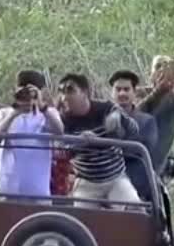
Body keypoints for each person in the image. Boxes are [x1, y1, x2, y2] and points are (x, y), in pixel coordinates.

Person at [55, 73, 141, 204]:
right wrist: (79, 142)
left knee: (136, 210)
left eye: (70, 90)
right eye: (61, 92)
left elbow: (134, 131)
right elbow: (60, 151)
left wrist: (121, 119)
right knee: (78, 219)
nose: (64, 97)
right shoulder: (62, 120)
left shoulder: (107, 108)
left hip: (115, 178)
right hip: (86, 181)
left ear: (84, 92)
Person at [0, 70, 64, 196]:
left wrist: (42, 107)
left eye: (32, 92)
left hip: (38, 190)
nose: (27, 95)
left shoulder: (48, 114)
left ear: (40, 92)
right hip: (7, 189)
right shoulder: (5, 113)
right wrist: (15, 112)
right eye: (22, 91)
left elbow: (59, 131)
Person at [109, 69, 159, 167]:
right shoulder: (101, 118)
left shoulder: (147, 122)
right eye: (118, 89)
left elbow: (140, 151)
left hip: (134, 175)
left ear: (134, 92)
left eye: (126, 89)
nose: (122, 93)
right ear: (112, 92)